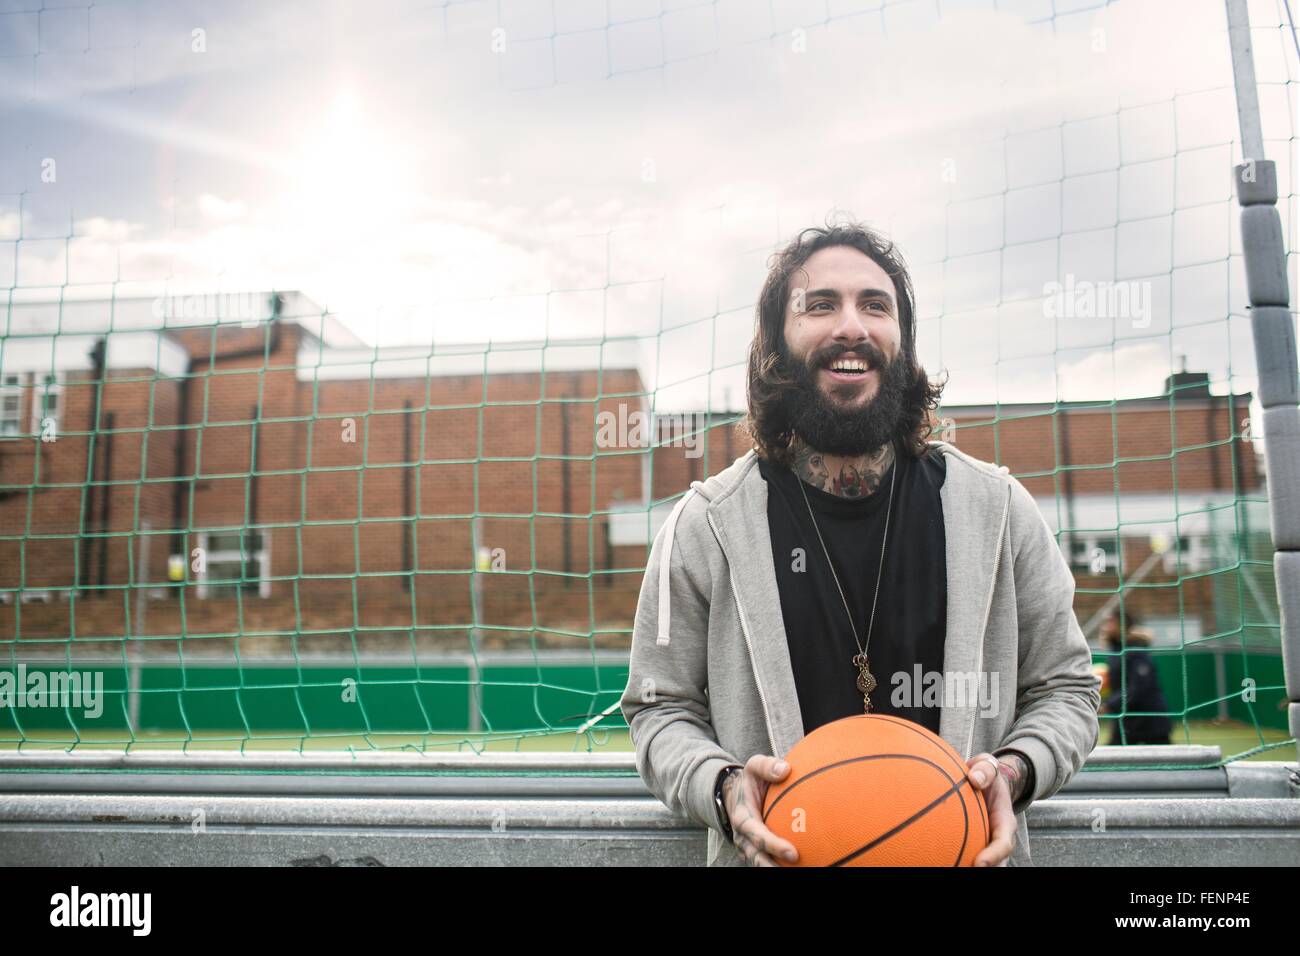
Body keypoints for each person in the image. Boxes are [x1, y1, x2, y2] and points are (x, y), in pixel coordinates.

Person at [620, 219, 1101, 867]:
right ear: (776, 345)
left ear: (902, 341)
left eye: (876, 305)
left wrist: (1014, 772)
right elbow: (659, 709)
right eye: (821, 305)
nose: (853, 325)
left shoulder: (997, 509)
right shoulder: (705, 524)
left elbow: (1067, 689)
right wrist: (726, 786)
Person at [1099, 607, 1173, 746]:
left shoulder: (1135, 650)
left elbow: (1138, 688)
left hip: (1150, 720)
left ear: (1122, 625)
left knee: (1166, 762)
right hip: (1127, 722)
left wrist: (1108, 705)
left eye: (1110, 622)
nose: (1105, 627)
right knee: (1111, 761)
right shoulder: (1115, 650)